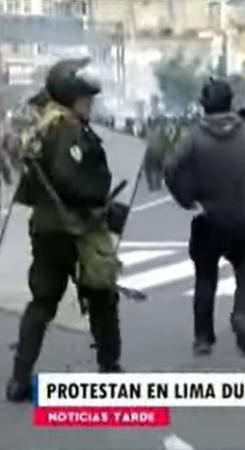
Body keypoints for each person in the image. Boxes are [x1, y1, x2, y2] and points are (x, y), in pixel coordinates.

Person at [6, 59, 123, 402]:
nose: (90, 103)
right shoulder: (68, 129)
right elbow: (69, 178)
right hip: (76, 229)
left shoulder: (45, 125)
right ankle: (110, 369)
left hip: (45, 227)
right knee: (102, 295)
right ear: (70, 96)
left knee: (42, 302)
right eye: (85, 98)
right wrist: (99, 197)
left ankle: (19, 378)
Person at [164, 78, 245, 356]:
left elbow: (171, 168)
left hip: (208, 218)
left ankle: (203, 338)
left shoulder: (192, 136)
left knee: (205, 278)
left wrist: (187, 199)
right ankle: (242, 315)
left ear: (204, 105)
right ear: (230, 102)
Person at [144, 116, 170, 192]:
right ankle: (157, 185)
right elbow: (166, 142)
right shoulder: (161, 131)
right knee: (159, 169)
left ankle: (151, 186)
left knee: (149, 170)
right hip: (158, 153)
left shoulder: (146, 130)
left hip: (149, 153)